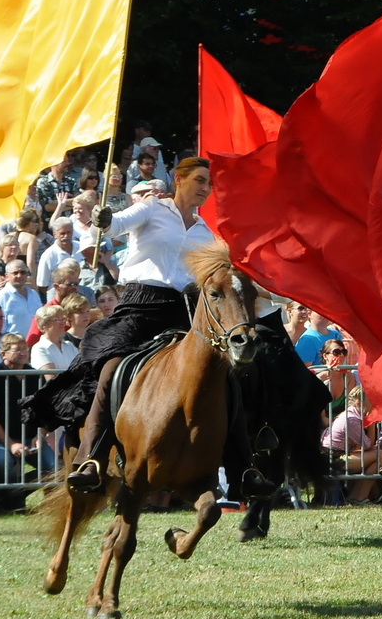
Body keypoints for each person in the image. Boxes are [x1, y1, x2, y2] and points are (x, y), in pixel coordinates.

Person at [37, 158, 273, 501]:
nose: (205, 189)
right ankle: (91, 458)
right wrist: (103, 220)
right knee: (111, 369)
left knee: (226, 378)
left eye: (209, 184)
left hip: (184, 312)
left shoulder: (206, 233)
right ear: (178, 179)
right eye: (200, 180)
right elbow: (115, 224)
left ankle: (243, 470)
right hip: (139, 306)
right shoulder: (151, 208)